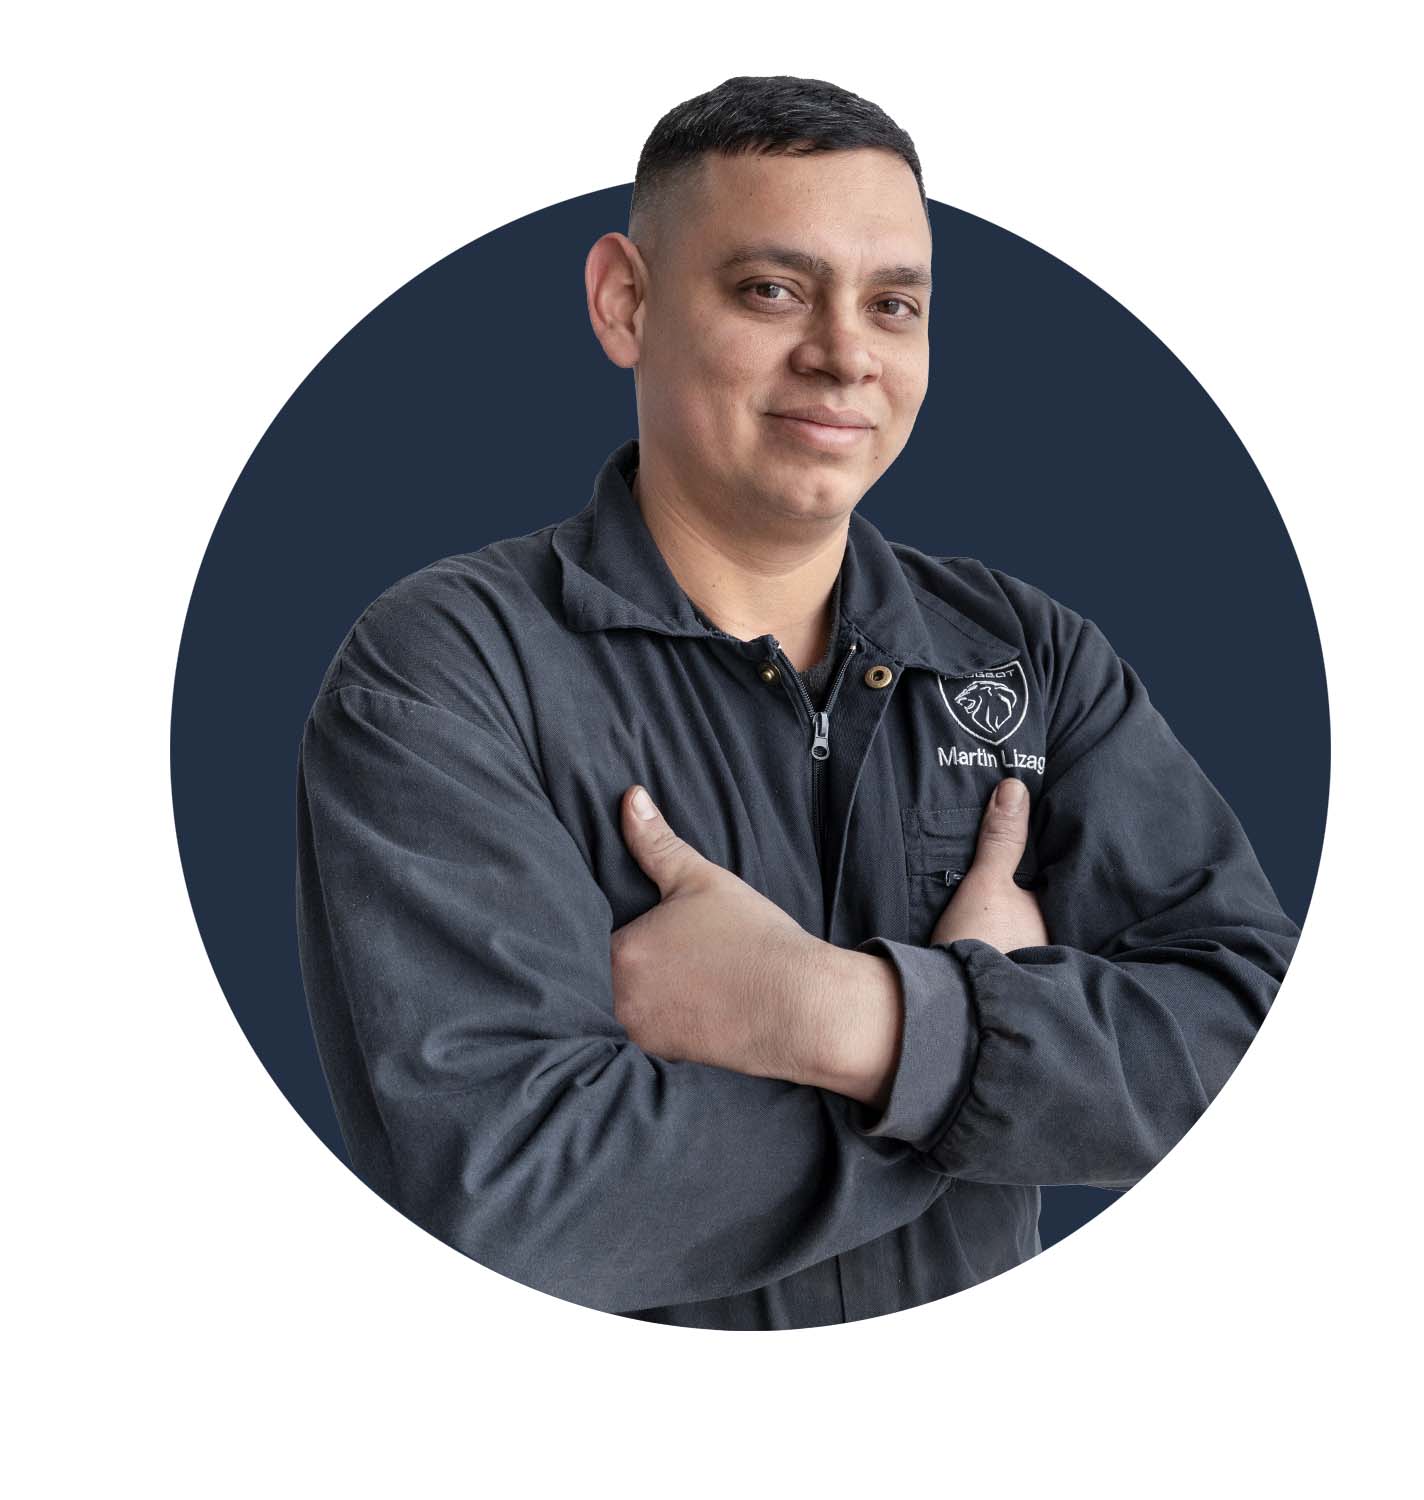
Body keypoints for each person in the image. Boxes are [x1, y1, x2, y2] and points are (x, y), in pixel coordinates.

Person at [294, 75, 1300, 1330]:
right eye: (773, 290)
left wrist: (838, 1017)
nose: (845, 354)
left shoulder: (1031, 658)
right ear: (626, 302)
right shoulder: (448, 671)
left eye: (893, 305)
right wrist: (997, 1063)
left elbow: (1257, 1049)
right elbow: (517, 1190)